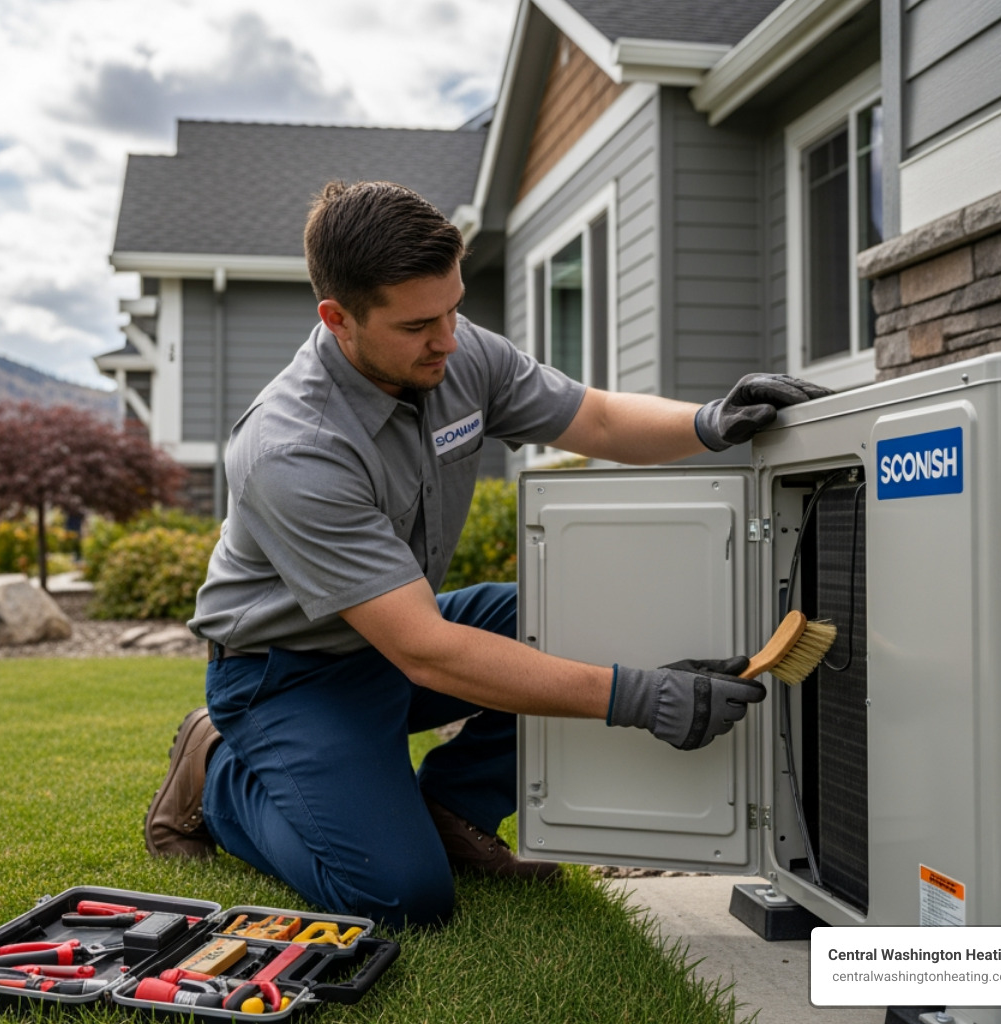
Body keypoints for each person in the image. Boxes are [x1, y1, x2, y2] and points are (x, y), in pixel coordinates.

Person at [144, 180, 830, 928]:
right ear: (338, 319)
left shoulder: (459, 354)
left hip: (393, 640)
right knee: (402, 898)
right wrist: (638, 698)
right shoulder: (293, 450)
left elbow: (595, 419)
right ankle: (215, 773)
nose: (447, 338)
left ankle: (454, 806)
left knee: (562, 608)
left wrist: (710, 421)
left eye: (453, 308)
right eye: (417, 325)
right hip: (289, 676)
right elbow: (428, 654)